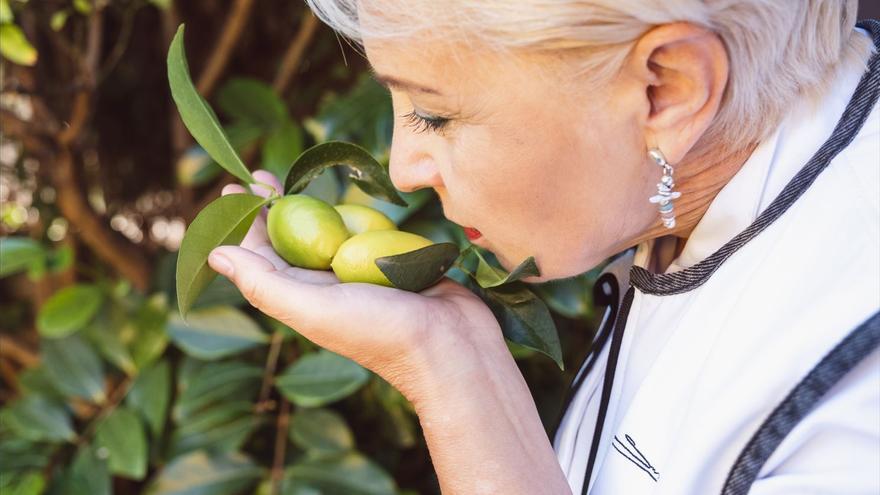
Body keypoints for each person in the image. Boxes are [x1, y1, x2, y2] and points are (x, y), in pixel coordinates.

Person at [207, 1, 880, 493]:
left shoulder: (857, 406)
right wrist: (454, 351)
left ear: (665, 91)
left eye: (435, 114)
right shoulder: (692, 197)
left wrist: (448, 383)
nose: (403, 166)